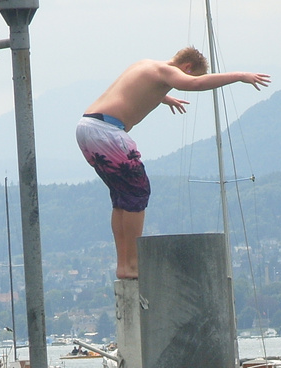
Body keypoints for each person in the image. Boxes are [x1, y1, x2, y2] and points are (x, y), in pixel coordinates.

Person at [78, 47, 270, 278]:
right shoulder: (165, 71)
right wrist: (240, 76)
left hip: (88, 127)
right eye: (190, 75)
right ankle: (131, 264)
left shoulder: (145, 64)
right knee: (137, 193)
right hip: (107, 132)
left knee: (123, 197)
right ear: (187, 67)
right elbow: (196, 85)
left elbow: (133, 91)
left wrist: (164, 97)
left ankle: (124, 264)